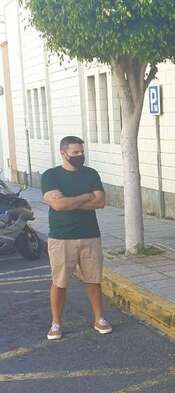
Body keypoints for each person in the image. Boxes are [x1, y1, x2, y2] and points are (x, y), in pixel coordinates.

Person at [42, 136, 110, 340]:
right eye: (76, 153)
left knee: (94, 280)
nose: (81, 156)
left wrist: (69, 201)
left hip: (90, 236)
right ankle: (56, 323)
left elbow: (100, 202)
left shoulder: (91, 174)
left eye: (82, 152)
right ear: (64, 153)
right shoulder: (51, 176)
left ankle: (99, 319)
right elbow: (58, 205)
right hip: (61, 237)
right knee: (59, 282)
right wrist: (85, 196)